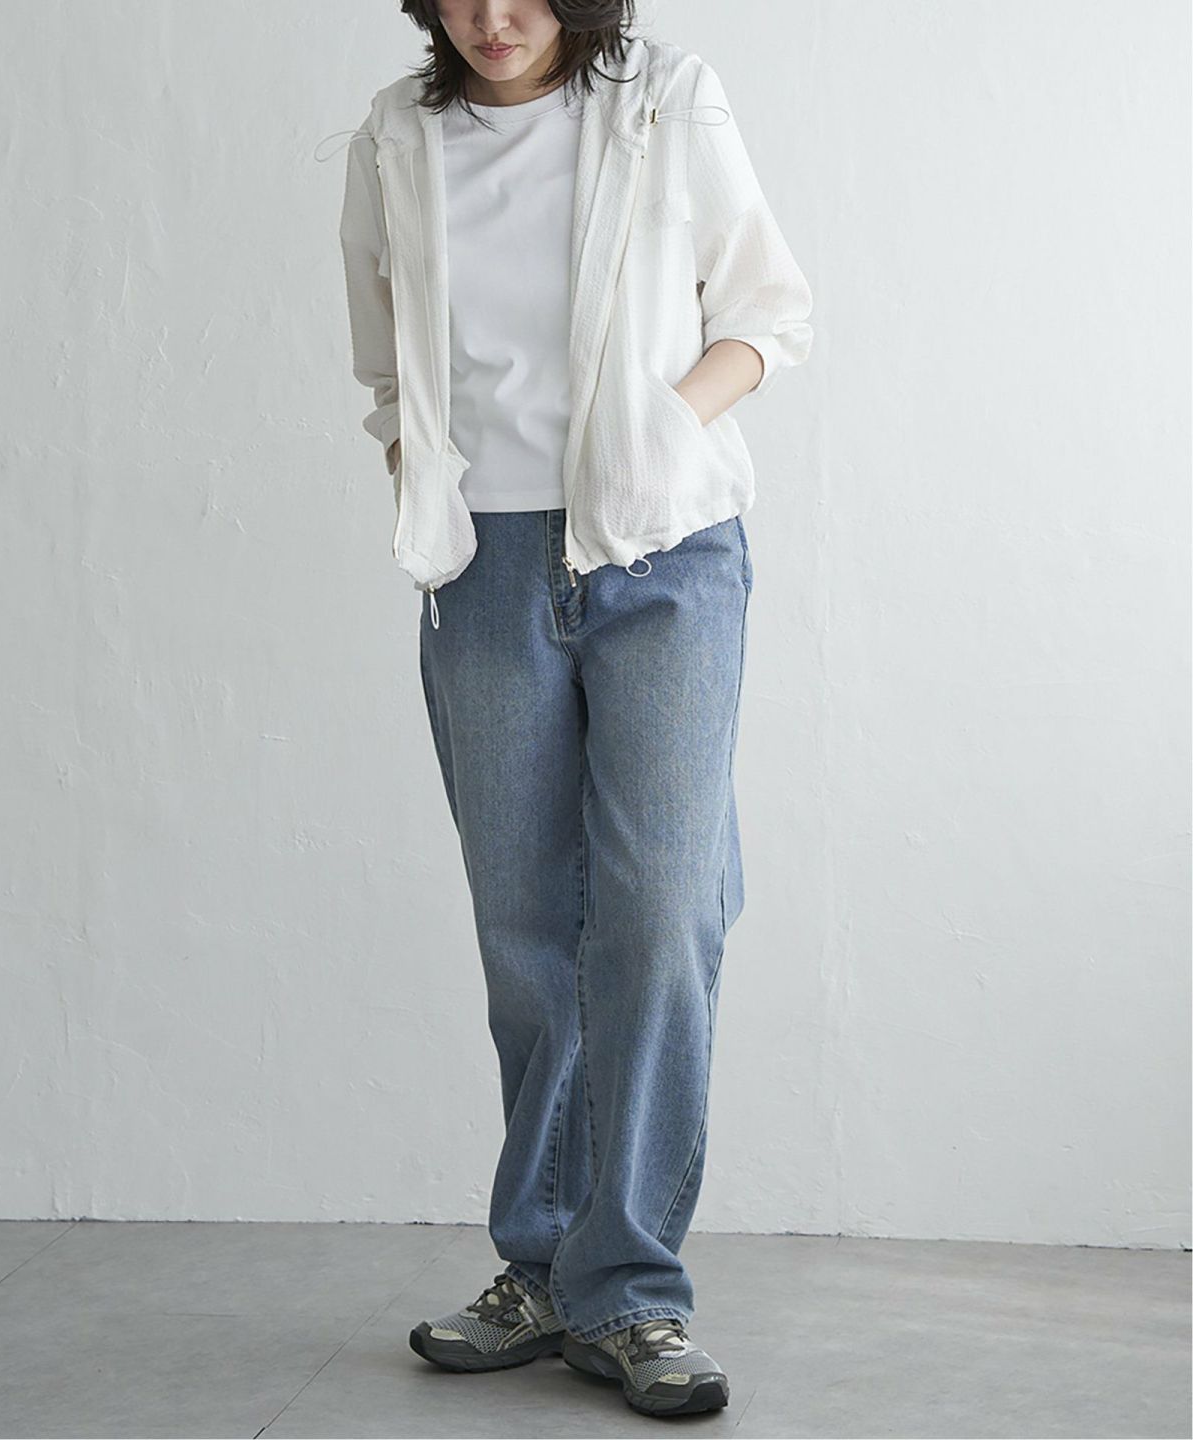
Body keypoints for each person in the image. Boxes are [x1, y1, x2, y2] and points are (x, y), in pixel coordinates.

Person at [338, 0, 812, 1418]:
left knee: (661, 910)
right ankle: (544, 1268)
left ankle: (635, 1290)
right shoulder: (396, 135)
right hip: (482, 572)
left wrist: (658, 431)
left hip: (662, 552)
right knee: (529, 929)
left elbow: (769, 314)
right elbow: (386, 361)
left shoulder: (667, 98)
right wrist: (420, 469)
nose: (496, 18)